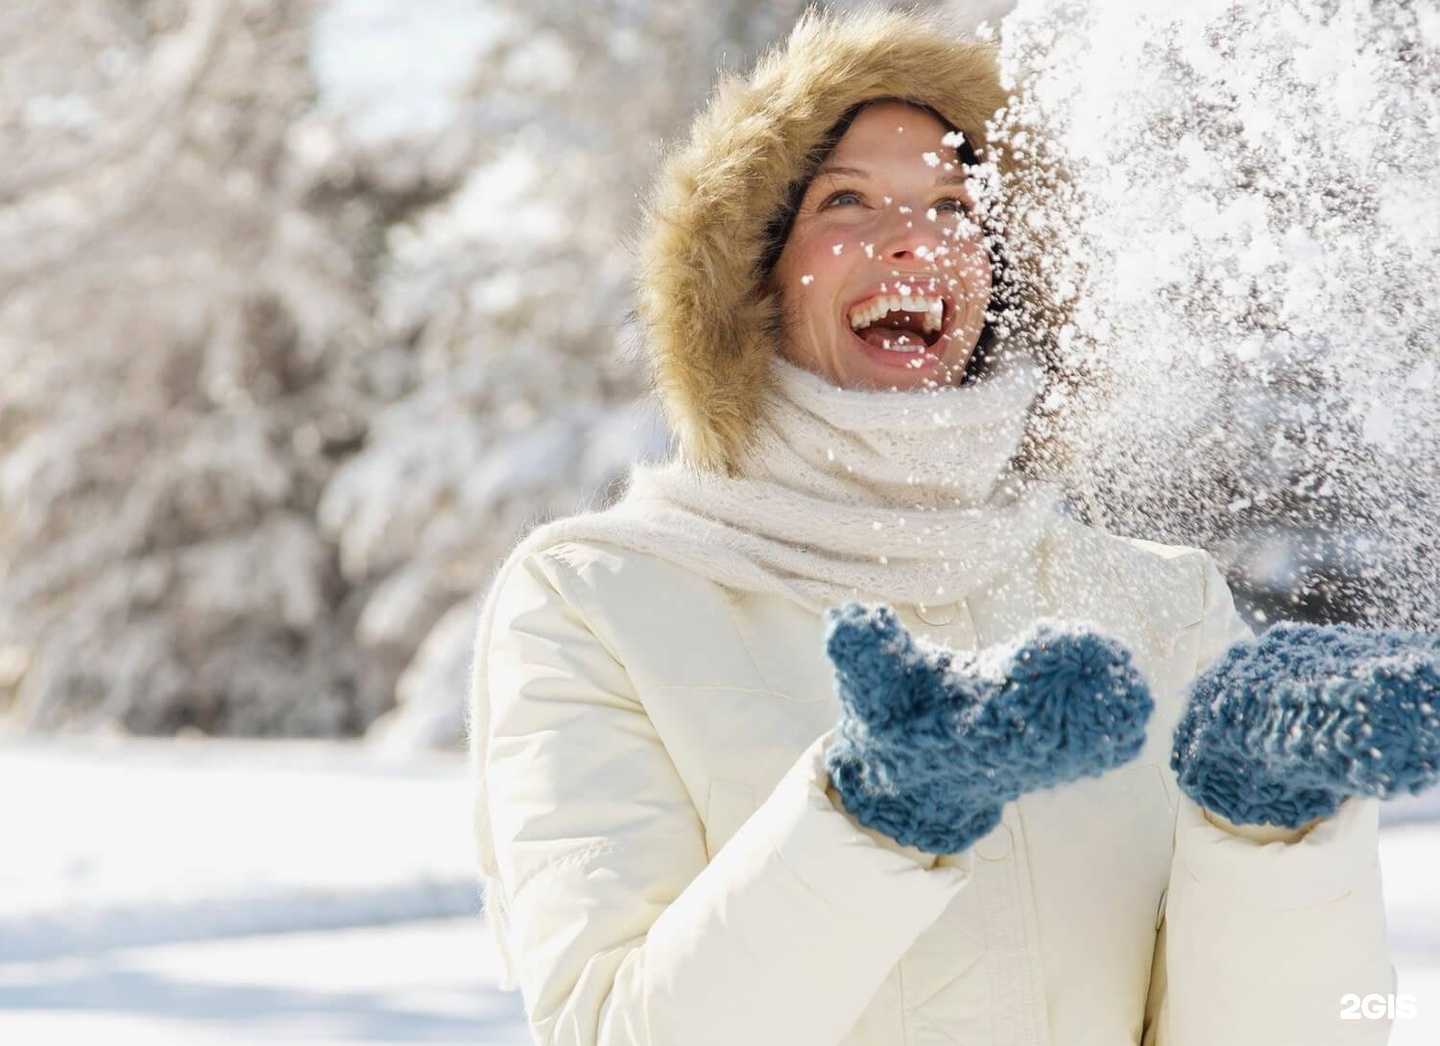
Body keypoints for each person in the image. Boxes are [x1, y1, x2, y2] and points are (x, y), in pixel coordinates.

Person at [467, 7, 1395, 1045]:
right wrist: (870, 813)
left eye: (956, 202)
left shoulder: (1163, 605)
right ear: (749, 274)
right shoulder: (601, 600)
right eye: (847, 200)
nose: (914, 237)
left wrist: (1271, 830)